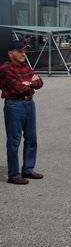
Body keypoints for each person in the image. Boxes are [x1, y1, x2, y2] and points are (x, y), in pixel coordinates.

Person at [0, 40, 44, 184]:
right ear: (10, 53)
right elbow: (17, 88)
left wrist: (28, 83)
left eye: (24, 51)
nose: (23, 53)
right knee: (14, 141)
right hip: (14, 105)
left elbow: (40, 82)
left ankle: (28, 169)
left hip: (29, 103)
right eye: (20, 51)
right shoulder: (5, 68)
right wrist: (30, 83)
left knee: (32, 138)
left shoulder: (26, 66)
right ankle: (14, 174)